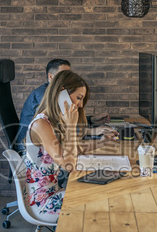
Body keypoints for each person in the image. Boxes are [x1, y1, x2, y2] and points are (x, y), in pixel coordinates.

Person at [23, 70, 116, 217]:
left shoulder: (53, 122)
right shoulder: (41, 124)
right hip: (43, 203)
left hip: (55, 192)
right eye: (79, 98)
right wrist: (71, 127)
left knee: (107, 192)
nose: (79, 105)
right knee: (103, 202)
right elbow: (69, 165)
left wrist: (101, 142)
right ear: (62, 92)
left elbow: (72, 151)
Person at [16, 58, 110, 146]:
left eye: (68, 75)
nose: (67, 79)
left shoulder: (57, 96)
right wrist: (91, 131)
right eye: (62, 75)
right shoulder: (43, 96)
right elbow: (59, 128)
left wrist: (91, 120)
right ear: (51, 77)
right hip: (27, 150)